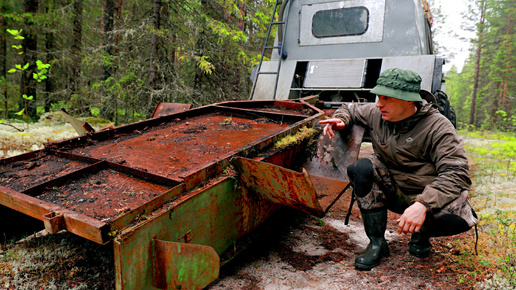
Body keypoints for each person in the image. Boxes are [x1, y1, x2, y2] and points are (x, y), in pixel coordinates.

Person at [319, 68, 478, 271]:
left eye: (387, 98)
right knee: (360, 168)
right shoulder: (377, 114)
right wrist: (342, 119)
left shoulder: (438, 126)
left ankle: (421, 234)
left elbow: (457, 174)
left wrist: (423, 205)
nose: (379, 104)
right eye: (378, 97)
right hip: (394, 190)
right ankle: (377, 243)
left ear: (409, 100)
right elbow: (349, 108)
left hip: (426, 194)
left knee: (457, 220)